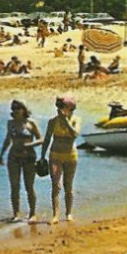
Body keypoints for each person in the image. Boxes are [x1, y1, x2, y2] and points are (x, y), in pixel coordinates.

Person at [0, 100, 42, 223]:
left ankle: (32, 213)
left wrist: (30, 144)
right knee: (14, 186)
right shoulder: (10, 123)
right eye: (13, 108)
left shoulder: (31, 123)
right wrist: (1, 155)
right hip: (13, 157)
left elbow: (40, 139)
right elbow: (8, 139)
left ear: (24, 110)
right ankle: (16, 214)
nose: (16, 111)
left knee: (29, 186)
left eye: (18, 108)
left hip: (29, 157)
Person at [41, 95, 81, 223]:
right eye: (58, 107)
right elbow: (47, 139)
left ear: (70, 108)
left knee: (68, 186)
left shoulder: (76, 120)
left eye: (62, 107)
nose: (59, 110)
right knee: (56, 185)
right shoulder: (52, 122)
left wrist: (66, 121)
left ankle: (69, 213)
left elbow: (74, 135)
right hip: (55, 156)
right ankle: (55, 215)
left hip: (70, 156)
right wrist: (42, 156)